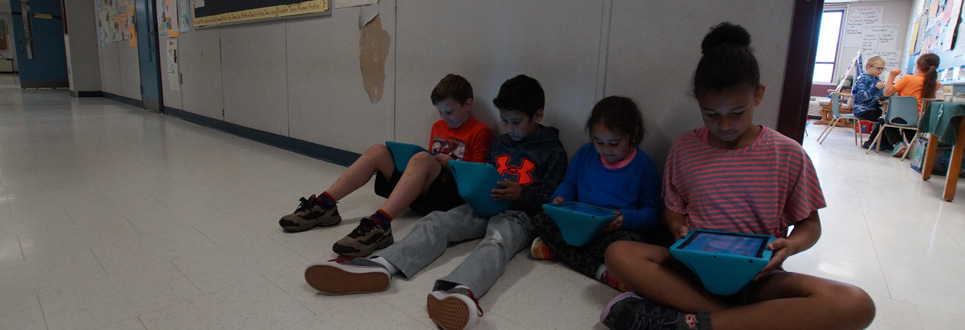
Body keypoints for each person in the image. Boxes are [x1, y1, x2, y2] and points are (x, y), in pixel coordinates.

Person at [599, 22, 875, 330]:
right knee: (619, 253)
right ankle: (727, 320)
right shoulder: (685, 147)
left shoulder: (787, 153)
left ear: (759, 95)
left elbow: (810, 225)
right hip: (692, 272)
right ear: (700, 104)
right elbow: (673, 211)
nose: (725, 126)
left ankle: (698, 322)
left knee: (856, 303)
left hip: (758, 278)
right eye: (712, 114)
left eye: (737, 112)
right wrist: (677, 228)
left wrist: (791, 246)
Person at [302, 74, 567, 330]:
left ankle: (459, 290)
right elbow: (483, 173)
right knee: (438, 221)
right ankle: (382, 264)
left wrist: (521, 194)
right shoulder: (500, 143)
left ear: (538, 115)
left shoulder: (552, 151)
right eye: (505, 121)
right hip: (485, 203)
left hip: (519, 214)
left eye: (516, 122)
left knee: (497, 242)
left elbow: (549, 201)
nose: (509, 128)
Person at [279, 74, 494, 257]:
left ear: (467, 105)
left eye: (449, 112)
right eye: (440, 112)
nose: (444, 118)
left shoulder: (480, 131)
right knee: (378, 151)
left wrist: (452, 163)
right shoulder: (439, 125)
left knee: (422, 159)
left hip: (451, 196)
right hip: (427, 190)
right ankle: (324, 204)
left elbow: (478, 176)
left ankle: (380, 224)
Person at [529, 95, 667, 292]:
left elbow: (653, 212)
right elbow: (569, 183)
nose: (605, 150)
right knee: (541, 219)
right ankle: (592, 264)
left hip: (613, 232)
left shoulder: (643, 166)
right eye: (599, 142)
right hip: (581, 223)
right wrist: (560, 199)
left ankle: (566, 252)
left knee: (629, 244)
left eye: (614, 143)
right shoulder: (586, 154)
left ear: (633, 135)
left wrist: (625, 218)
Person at [867, 53, 941, 157]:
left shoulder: (908, 79)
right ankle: (911, 147)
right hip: (919, 119)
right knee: (908, 124)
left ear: (918, 66)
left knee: (884, 119)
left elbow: (887, 93)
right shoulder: (936, 84)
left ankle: (898, 143)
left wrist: (892, 76)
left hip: (899, 117)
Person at [850, 55, 887, 121]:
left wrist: (888, 93)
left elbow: (881, 97)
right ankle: (877, 132)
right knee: (886, 120)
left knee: (890, 118)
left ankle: (877, 131)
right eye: (878, 68)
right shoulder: (863, 79)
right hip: (863, 110)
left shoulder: (877, 80)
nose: (881, 71)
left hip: (874, 109)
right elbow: (861, 97)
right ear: (869, 67)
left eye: (882, 69)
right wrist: (875, 88)